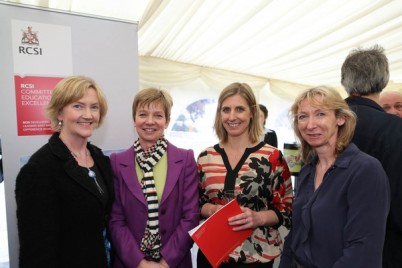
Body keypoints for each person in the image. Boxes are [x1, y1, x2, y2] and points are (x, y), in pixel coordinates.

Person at [280, 86, 390, 268]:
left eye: (320, 114)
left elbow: (362, 252)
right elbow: (295, 235)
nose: (310, 124)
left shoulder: (365, 170)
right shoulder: (308, 170)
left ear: (340, 118)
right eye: (303, 116)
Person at [15, 75, 114, 267]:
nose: (88, 114)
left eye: (94, 107)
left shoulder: (100, 159)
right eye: (78, 106)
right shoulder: (39, 170)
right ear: (60, 113)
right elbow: (35, 253)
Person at [197, 82, 293, 267]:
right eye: (226, 110)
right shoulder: (206, 157)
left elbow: (286, 210)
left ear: (252, 112)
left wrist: (258, 218)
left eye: (239, 109)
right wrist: (211, 210)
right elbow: (194, 205)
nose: (232, 117)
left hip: (256, 258)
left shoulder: (272, 157)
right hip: (212, 256)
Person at [109, 88, 199, 268]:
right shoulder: (117, 162)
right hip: (130, 263)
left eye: (158, 115)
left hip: (174, 262)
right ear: (134, 119)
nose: (150, 121)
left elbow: (190, 216)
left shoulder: (185, 159)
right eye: (143, 114)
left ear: (167, 121)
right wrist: (141, 263)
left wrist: (165, 263)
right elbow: (115, 220)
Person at [341, 45, 402, 268]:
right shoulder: (396, 129)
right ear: (383, 80)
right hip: (385, 245)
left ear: (345, 81)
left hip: (330, 241)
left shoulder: (323, 123)